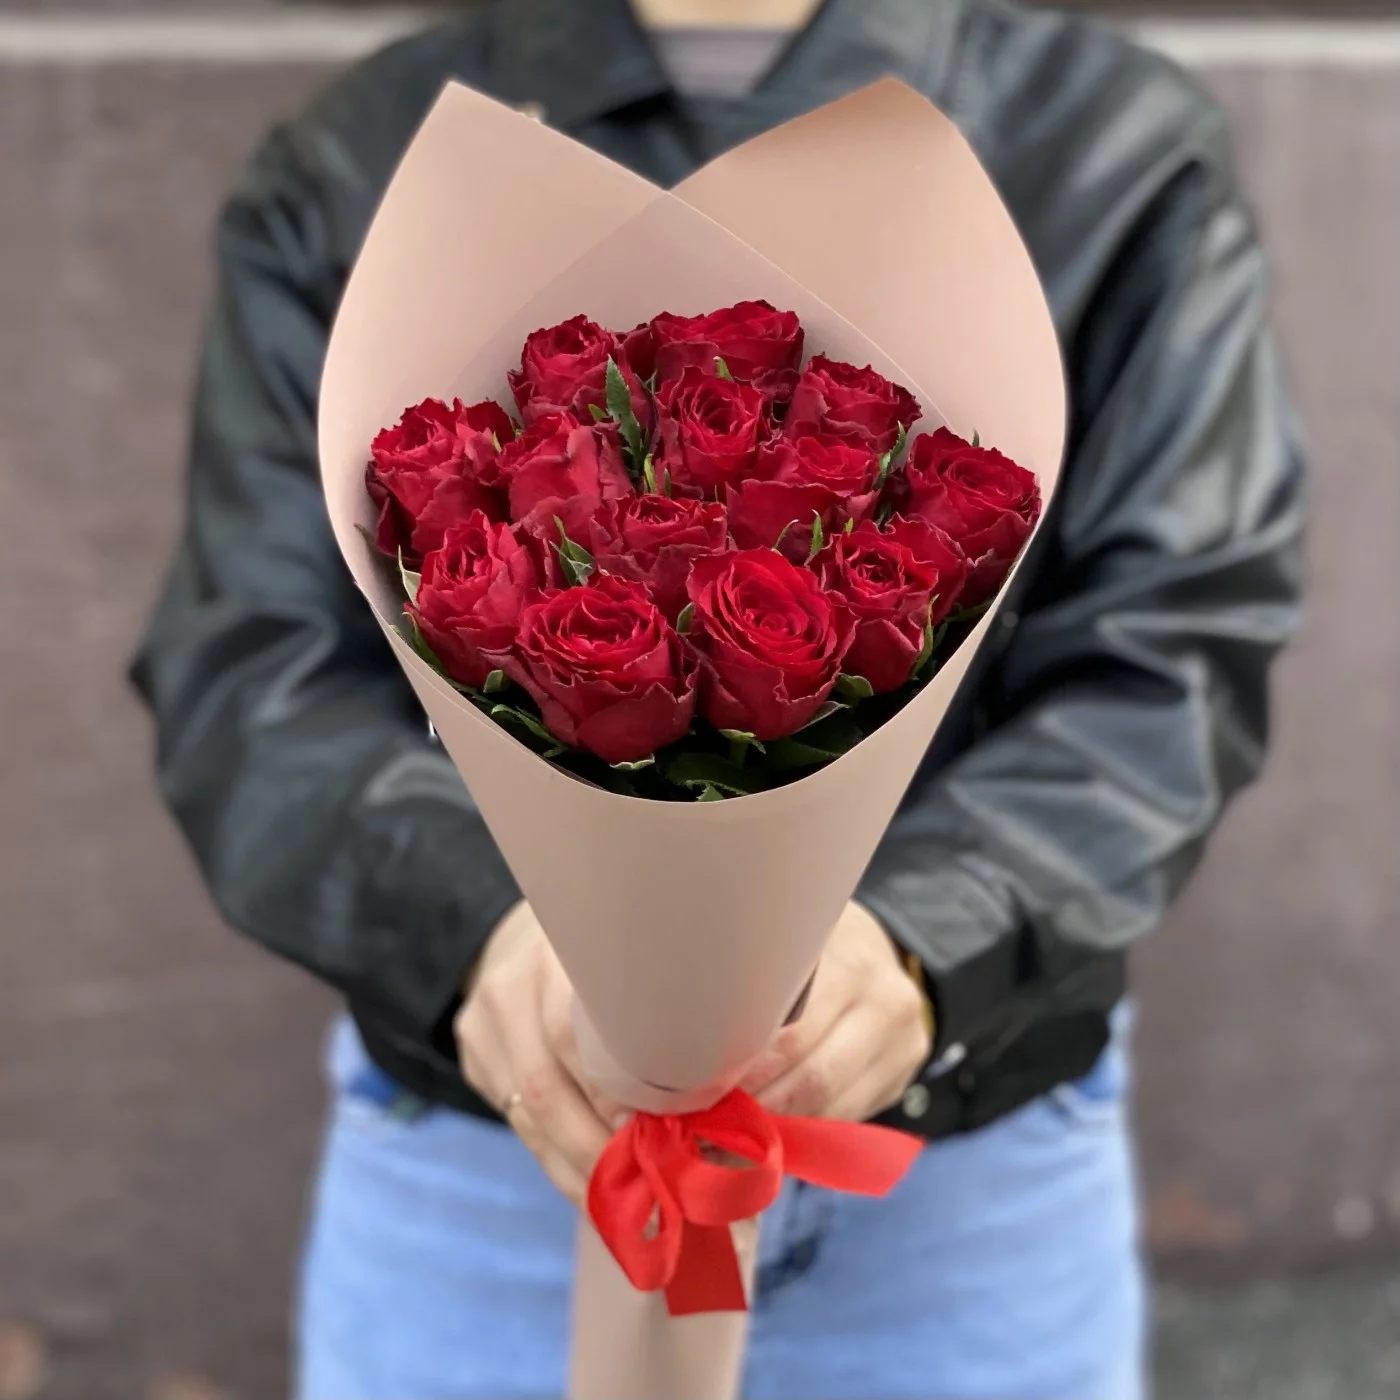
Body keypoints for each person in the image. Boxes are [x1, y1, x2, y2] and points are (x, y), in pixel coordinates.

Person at [132, 1, 1306, 1396]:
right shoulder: (362, 160)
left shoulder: (1113, 148)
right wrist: (483, 937)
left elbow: (1175, 646)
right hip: (489, 1166)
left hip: (958, 1192)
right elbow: (252, 668)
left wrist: (927, 937)